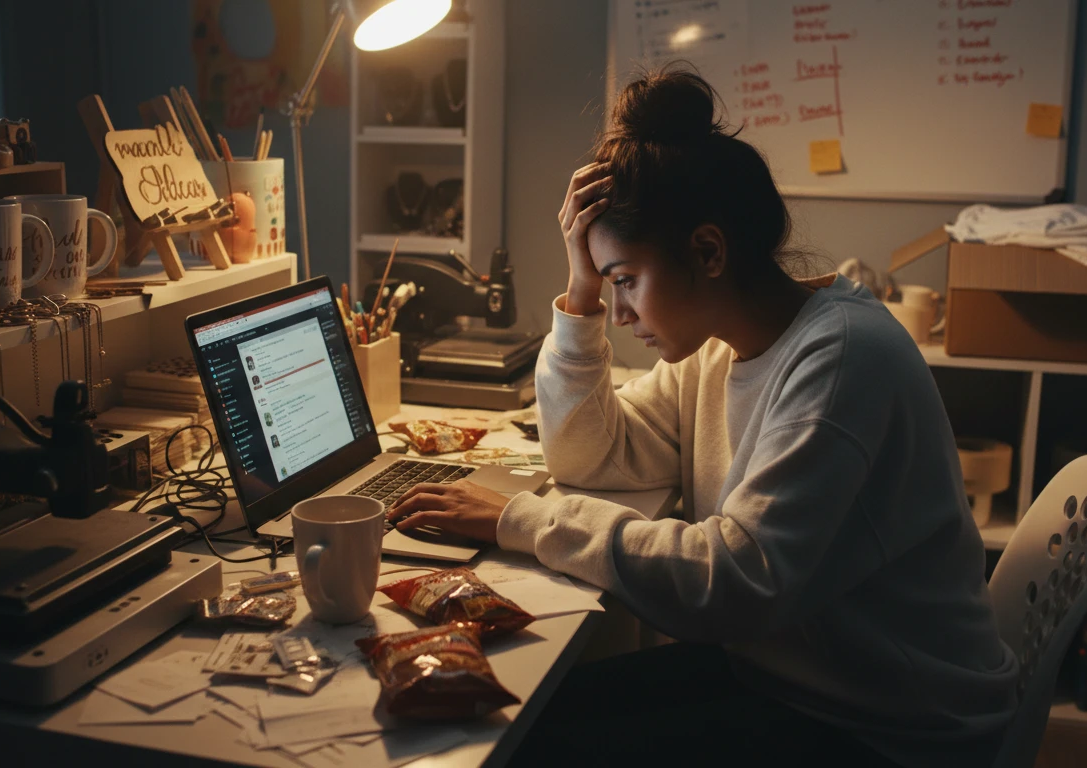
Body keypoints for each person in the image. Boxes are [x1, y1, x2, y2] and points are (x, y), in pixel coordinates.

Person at [387, 67, 1017, 767]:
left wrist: (520, 520)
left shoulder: (841, 361)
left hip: (890, 727)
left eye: (625, 281)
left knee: (534, 746)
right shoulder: (720, 347)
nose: (618, 314)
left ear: (709, 252)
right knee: (524, 719)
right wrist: (581, 287)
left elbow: (733, 580)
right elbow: (588, 456)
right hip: (796, 678)